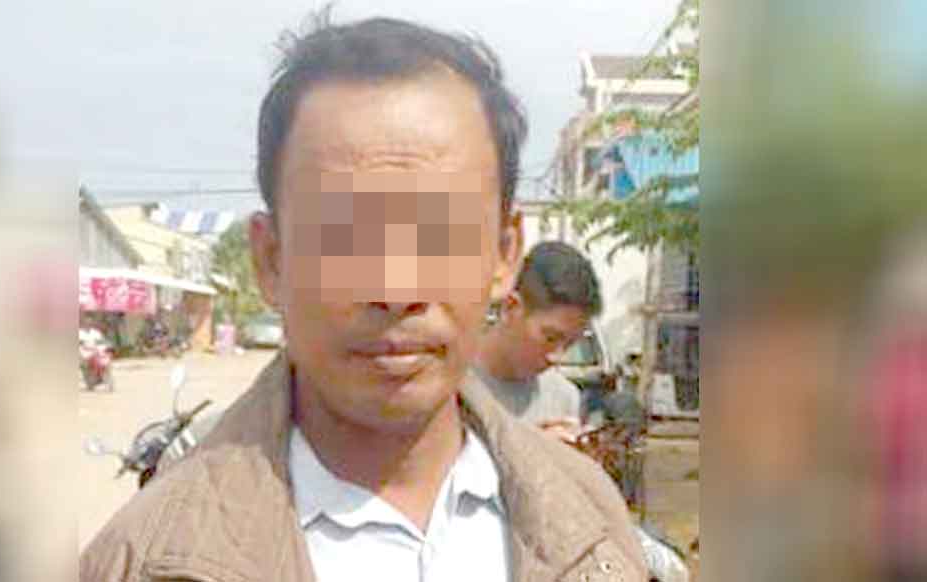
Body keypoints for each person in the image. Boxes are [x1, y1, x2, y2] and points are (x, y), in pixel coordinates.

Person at [80, 13, 645, 582]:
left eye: (441, 234)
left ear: (503, 256)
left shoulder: (589, 522)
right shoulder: (145, 558)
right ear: (271, 260)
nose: (396, 290)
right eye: (344, 235)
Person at [474, 241, 602, 444]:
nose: (557, 357)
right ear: (511, 308)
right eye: (550, 338)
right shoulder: (449, 386)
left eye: (570, 344)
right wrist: (531, 450)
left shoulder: (564, 397)